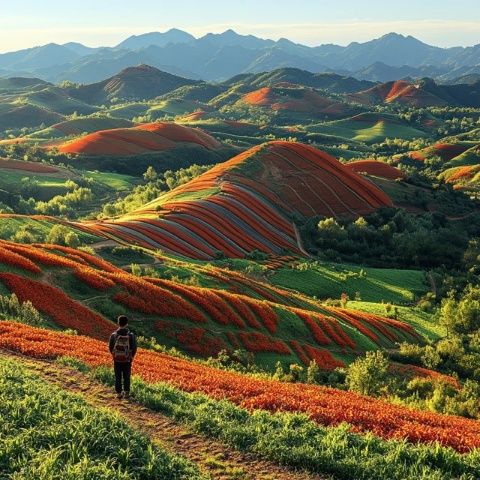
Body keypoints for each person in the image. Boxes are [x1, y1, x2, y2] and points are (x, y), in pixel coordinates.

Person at [109, 315, 137, 399]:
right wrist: (131, 357)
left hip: (117, 359)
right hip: (127, 360)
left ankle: (118, 393)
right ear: (127, 324)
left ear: (118, 323)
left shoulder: (114, 335)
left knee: (118, 376)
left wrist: (115, 355)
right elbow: (134, 348)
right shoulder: (131, 335)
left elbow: (110, 347)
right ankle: (126, 393)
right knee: (126, 376)